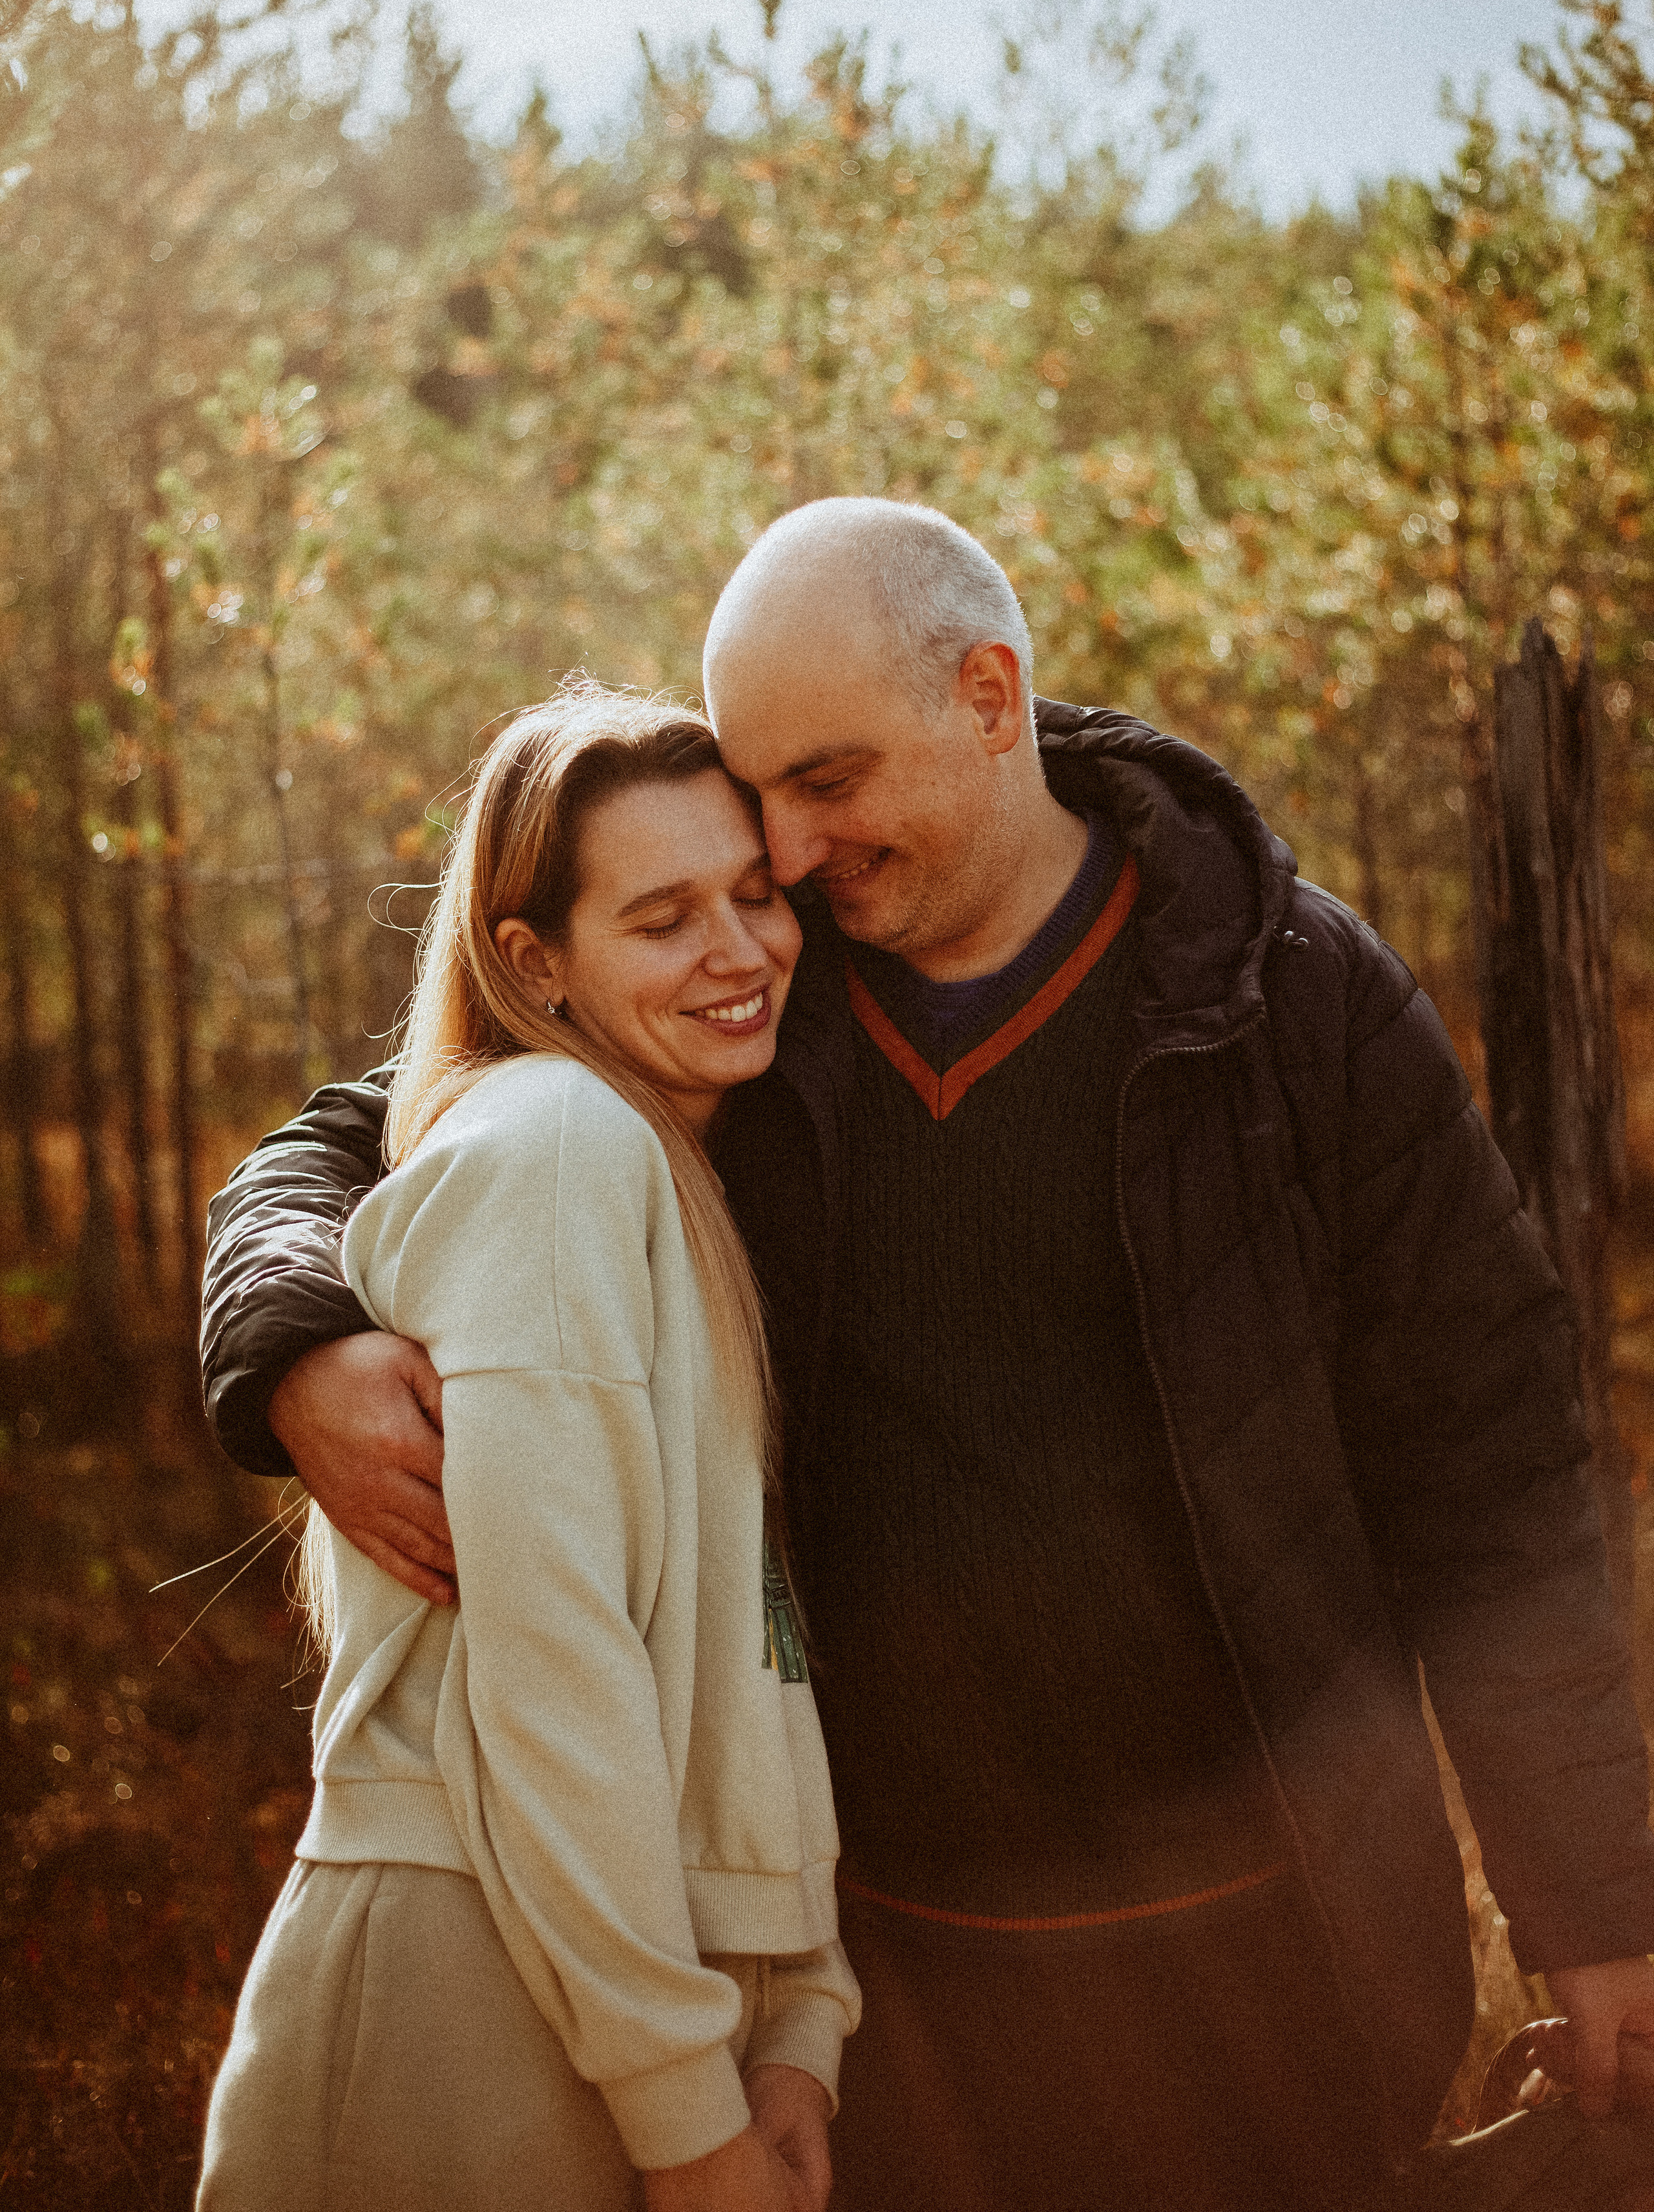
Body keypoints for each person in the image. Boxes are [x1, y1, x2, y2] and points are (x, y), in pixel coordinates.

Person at [201, 500, 1654, 2211]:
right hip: (887, 1984)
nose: (790, 860)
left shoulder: (1284, 996)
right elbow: (387, 1119)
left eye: (828, 784)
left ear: (989, 695)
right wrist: (288, 1338)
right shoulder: (753, 1000)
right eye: (761, 805)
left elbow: (1489, 1471)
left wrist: (1601, 1908)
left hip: (1276, 1955)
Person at [196, 687, 859, 2212]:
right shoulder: (555, 1142)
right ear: (529, 960)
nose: (738, 952)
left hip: (616, 1981)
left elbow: (741, 1649)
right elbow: (556, 1680)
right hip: (463, 1996)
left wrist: (797, 2019)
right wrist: (688, 2115)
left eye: (755, 896)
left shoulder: (673, 1164)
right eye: (662, 917)